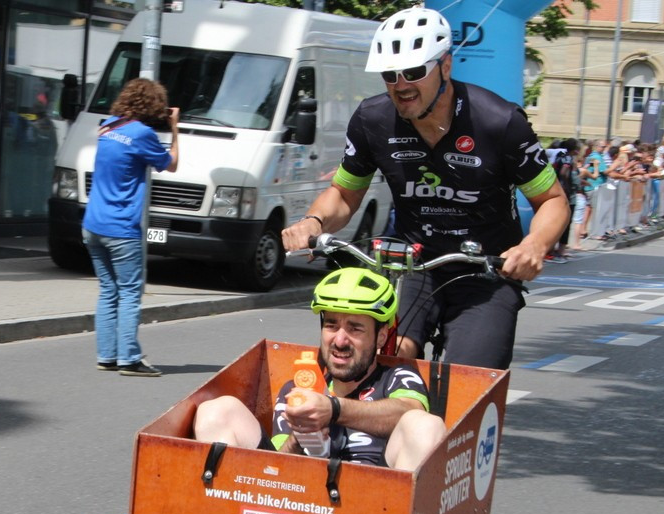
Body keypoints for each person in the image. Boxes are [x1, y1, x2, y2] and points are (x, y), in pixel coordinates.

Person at [281, 6, 570, 370]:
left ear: (445, 67)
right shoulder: (372, 120)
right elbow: (344, 193)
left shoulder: (499, 122)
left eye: (415, 72)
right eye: (390, 74)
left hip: (486, 270)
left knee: (471, 377)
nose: (401, 85)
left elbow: (553, 201)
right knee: (380, 359)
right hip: (412, 265)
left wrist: (533, 246)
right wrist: (313, 222)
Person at [193, 268, 446, 471]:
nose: (339, 340)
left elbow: (410, 411)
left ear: (380, 337)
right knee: (217, 410)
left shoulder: (398, 377)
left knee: (425, 425)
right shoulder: (298, 388)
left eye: (355, 328)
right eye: (332, 325)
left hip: (374, 503)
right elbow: (276, 463)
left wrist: (333, 409)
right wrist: (300, 438)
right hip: (298, 501)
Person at [82, 78, 180, 377]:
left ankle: (107, 355)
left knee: (108, 291)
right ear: (154, 105)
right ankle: (129, 359)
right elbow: (171, 164)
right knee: (128, 293)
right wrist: (175, 128)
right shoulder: (142, 134)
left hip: (92, 224)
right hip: (121, 228)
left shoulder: (107, 127)